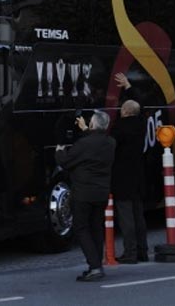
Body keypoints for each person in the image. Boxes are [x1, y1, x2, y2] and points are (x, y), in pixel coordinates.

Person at [55, 110, 115, 281]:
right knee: (96, 227)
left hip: (83, 192)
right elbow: (95, 142)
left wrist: (59, 151)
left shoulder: (83, 143)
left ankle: (94, 266)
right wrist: (86, 130)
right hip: (102, 192)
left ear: (93, 124)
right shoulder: (111, 142)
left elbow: (65, 162)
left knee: (81, 228)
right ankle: (97, 264)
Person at [111, 100, 148, 264]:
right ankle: (142, 251)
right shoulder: (141, 124)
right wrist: (129, 87)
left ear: (125, 111)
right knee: (138, 216)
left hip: (122, 177)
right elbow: (143, 108)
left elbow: (111, 146)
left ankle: (130, 253)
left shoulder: (119, 128)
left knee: (126, 218)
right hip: (138, 176)